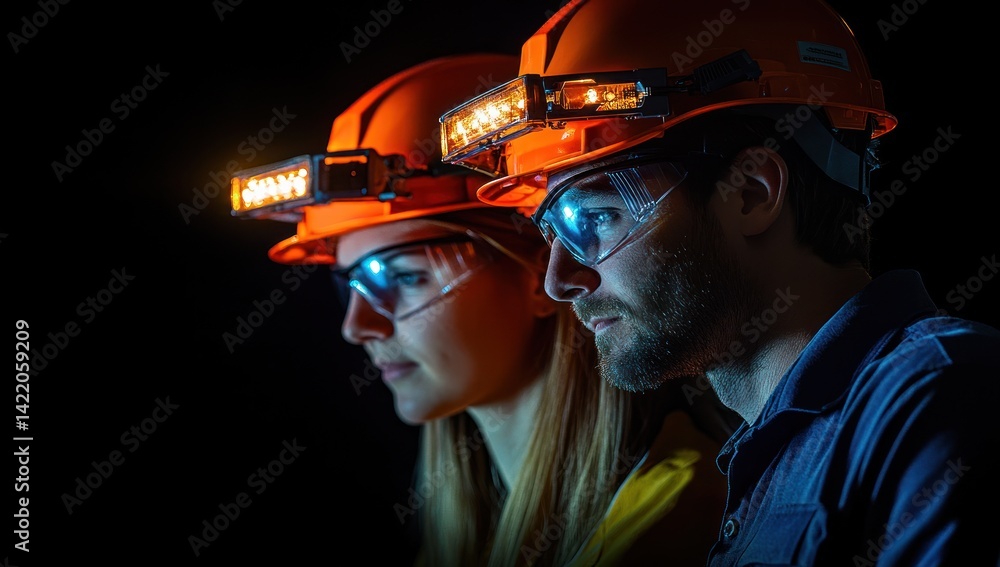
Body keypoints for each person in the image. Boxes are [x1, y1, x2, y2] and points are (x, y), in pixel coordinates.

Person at [439, 1, 1000, 565]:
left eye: (598, 218)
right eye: (553, 233)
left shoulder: (937, 397)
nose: (560, 282)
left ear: (752, 193)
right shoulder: (767, 459)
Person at [231, 54, 739, 566]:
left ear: (540, 273)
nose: (356, 327)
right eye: (352, 286)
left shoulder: (673, 526)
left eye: (402, 277)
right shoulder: (466, 540)